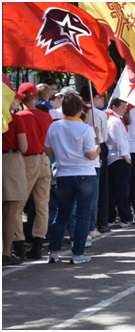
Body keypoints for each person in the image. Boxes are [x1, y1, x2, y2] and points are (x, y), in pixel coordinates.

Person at [45, 94, 100, 264]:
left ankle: (54, 252)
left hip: (63, 174)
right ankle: (77, 253)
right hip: (84, 174)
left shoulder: (54, 127)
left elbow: (48, 151)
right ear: (79, 109)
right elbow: (91, 155)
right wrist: (98, 148)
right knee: (83, 215)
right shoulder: (86, 129)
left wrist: (63, 154)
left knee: (62, 214)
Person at [12, 82, 53, 261]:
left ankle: (19, 244)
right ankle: (38, 244)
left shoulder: (18, 117)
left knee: (17, 205)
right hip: (43, 159)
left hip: (26, 160)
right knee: (42, 204)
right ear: (35, 97)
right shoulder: (46, 117)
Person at [3, 89, 28, 266]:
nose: (17, 102)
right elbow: (24, 146)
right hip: (10, 160)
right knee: (11, 209)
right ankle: (5, 251)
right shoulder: (16, 119)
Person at [80, 85, 108, 238]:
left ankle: (90, 226)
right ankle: (93, 226)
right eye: (101, 96)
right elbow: (104, 136)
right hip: (94, 152)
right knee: (95, 192)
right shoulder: (98, 114)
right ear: (94, 97)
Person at [106, 98, 134, 227]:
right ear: (114, 107)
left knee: (114, 189)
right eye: (123, 107)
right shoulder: (115, 121)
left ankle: (111, 217)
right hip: (119, 158)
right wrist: (126, 157)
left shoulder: (115, 120)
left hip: (116, 158)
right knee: (122, 190)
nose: (125, 109)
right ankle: (125, 218)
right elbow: (119, 141)